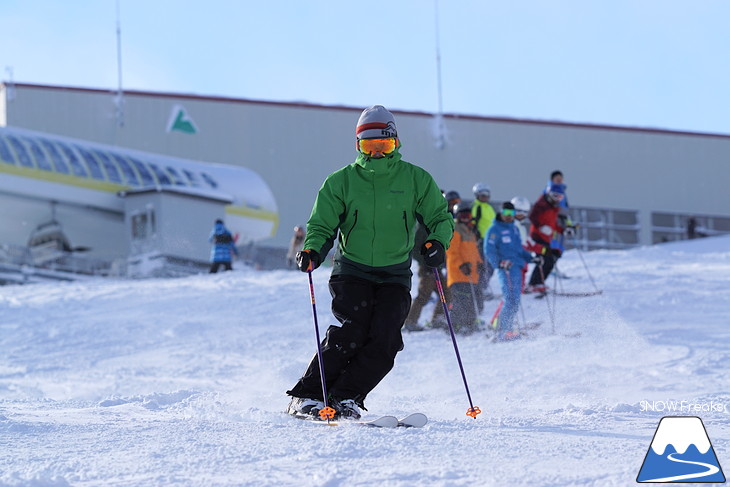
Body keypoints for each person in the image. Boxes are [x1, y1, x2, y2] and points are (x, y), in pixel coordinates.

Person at [286, 105, 454, 420]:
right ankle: (307, 395)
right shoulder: (342, 181)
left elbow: (439, 218)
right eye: (369, 146)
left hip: (394, 275)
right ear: (358, 146)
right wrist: (313, 250)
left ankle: (345, 397)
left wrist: (437, 243)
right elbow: (322, 225)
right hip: (353, 270)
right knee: (352, 332)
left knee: (386, 340)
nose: (377, 153)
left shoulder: (415, 179)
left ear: (396, 142)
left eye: (384, 146)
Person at [485, 202, 537, 341]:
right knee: (509, 299)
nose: (509, 217)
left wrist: (531, 258)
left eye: (512, 214)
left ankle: (507, 328)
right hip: (505, 269)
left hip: (516, 268)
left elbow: (519, 249)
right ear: (501, 213)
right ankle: (501, 331)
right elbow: (489, 250)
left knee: (515, 300)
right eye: (506, 213)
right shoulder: (494, 229)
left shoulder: (514, 228)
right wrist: (499, 263)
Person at [445, 201, 483, 334]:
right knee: (461, 301)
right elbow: (451, 251)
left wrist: (479, 263)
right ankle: (455, 325)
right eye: (463, 215)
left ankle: (469, 323)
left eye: (468, 214)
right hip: (459, 273)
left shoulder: (470, 230)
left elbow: (473, 251)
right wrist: (461, 265)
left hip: (471, 274)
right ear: (457, 215)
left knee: (473, 301)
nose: (466, 217)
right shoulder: (455, 229)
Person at [526, 184, 565, 292]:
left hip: (546, 238)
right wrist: (540, 227)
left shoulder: (554, 208)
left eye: (560, 197)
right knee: (544, 259)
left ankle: (539, 283)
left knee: (551, 259)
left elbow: (553, 225)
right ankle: (533, 284)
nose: (557, 199)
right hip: (537, 236)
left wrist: (563, 230)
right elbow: (532, 216)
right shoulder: (541, 204)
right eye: (555, 196)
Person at [470, 182, 496, 304]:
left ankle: (482, 287)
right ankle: (480, 289)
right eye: (482, 194)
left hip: (491, 241)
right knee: (484, 265)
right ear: (477, 195)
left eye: (487, 194)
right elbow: (472, 224)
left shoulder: (489, 207)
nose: (485, 197)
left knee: (491, 265)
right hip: (481, 241)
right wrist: (476, 237)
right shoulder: (476, 207)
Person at [510, 196, 533, 292]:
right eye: (518, 211)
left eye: (524, 212)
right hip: (514, 260)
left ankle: (519, 292)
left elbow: (526, 243)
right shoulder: (510, 225)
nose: (521, 214)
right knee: (513, 289)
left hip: (522, 260)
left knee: (520, 285)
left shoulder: (521, 227)